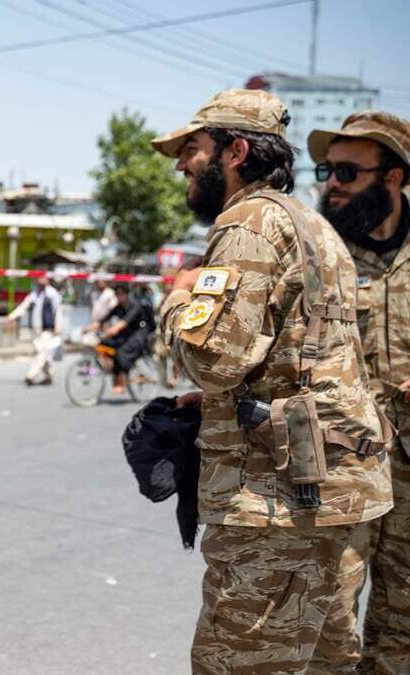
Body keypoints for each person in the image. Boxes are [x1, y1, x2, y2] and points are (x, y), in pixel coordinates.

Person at [152, 89, 392, 673]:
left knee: (239, 662)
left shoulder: (250, 227)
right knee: (323, 661)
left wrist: (175, 301)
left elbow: (215, 360)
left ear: (235, 152)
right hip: (337, 490)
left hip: (278, 504)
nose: (182, 163)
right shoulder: (311, 223)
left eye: (192, 149)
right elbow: (295, 354)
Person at [309, 110, 410, 675]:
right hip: (341, 470)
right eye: (327, 169)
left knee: (404, 625)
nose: (332, 184)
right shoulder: (319, 256)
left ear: (392, 178)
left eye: (348, 171)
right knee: (330, 619)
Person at [94, 284, 151, 394]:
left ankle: (122, 383)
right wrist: (93, 326)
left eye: (121, 294)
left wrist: (113, 329)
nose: (119, 297)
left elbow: (125, 322)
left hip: (138, 335)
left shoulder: (135, 306)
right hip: (126, 334)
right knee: (106, 344)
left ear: (126, 294)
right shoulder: (118, 307)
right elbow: (105, 318)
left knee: (121, 352)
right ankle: (116, 378)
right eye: (117, 294)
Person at [7, 277, 63, 385]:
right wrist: (11, 317)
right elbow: (24, 306)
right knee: (41, 352)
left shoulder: (53, 294)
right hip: (37, 329)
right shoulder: (34, 294)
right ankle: (49, 375)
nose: (41, 281)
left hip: (49, 330)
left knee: (43, 352)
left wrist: (58, 328)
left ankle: (31, 375)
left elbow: (58, 311)